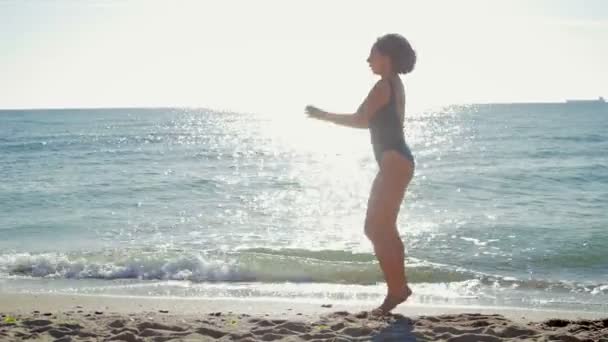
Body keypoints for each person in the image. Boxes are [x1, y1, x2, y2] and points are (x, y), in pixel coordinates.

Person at [305, 33, 416, 315]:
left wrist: (323, 116)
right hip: (397, 161)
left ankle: (397, 289)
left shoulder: (383, 86)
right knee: (384, 228)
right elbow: (370, 122)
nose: (368, 60)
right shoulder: (394, 84)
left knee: (376, 228)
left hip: (394, 162)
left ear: (386, 57)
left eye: (373, 54)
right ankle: (398, 287)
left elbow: (360, 119)